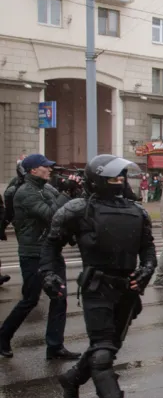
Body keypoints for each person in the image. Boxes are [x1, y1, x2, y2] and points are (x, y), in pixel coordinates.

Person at [41, 154, 157, 398]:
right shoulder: (78, 209)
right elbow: (50, 243)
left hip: (127, 290)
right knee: (103, 353)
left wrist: (145, 272)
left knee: (106, 348)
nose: (118, 182)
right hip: (97, 287)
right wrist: (48, 273)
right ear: (97, 179)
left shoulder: (137, 211)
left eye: (121, 177)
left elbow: (148, 249)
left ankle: (71, 379)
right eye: (112, 177)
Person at [0, 154, 80, 360]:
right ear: (33, 170)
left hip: (51, 251)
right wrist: (65, 191)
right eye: (46, 167)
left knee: (59, 297)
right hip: (33, 253)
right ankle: (3, 336)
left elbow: (67, 211)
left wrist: (75, 191)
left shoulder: (46, 188)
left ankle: (55, 346)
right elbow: (53, 215)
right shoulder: (25, 193)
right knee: (30, 299)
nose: (50, 170)